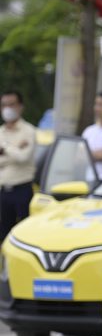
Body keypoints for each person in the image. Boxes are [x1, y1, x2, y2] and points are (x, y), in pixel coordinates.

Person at [0, 90, 37, 241]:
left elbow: (23, 157)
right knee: (3, 234)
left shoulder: (29, 131)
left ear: (20, 106)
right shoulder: (1, 132)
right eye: (4, 105)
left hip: (22, 190)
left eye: (11, 104)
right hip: (3, 191)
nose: (7, 108)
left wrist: (4, 149)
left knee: (23, 234)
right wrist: (14, 149)